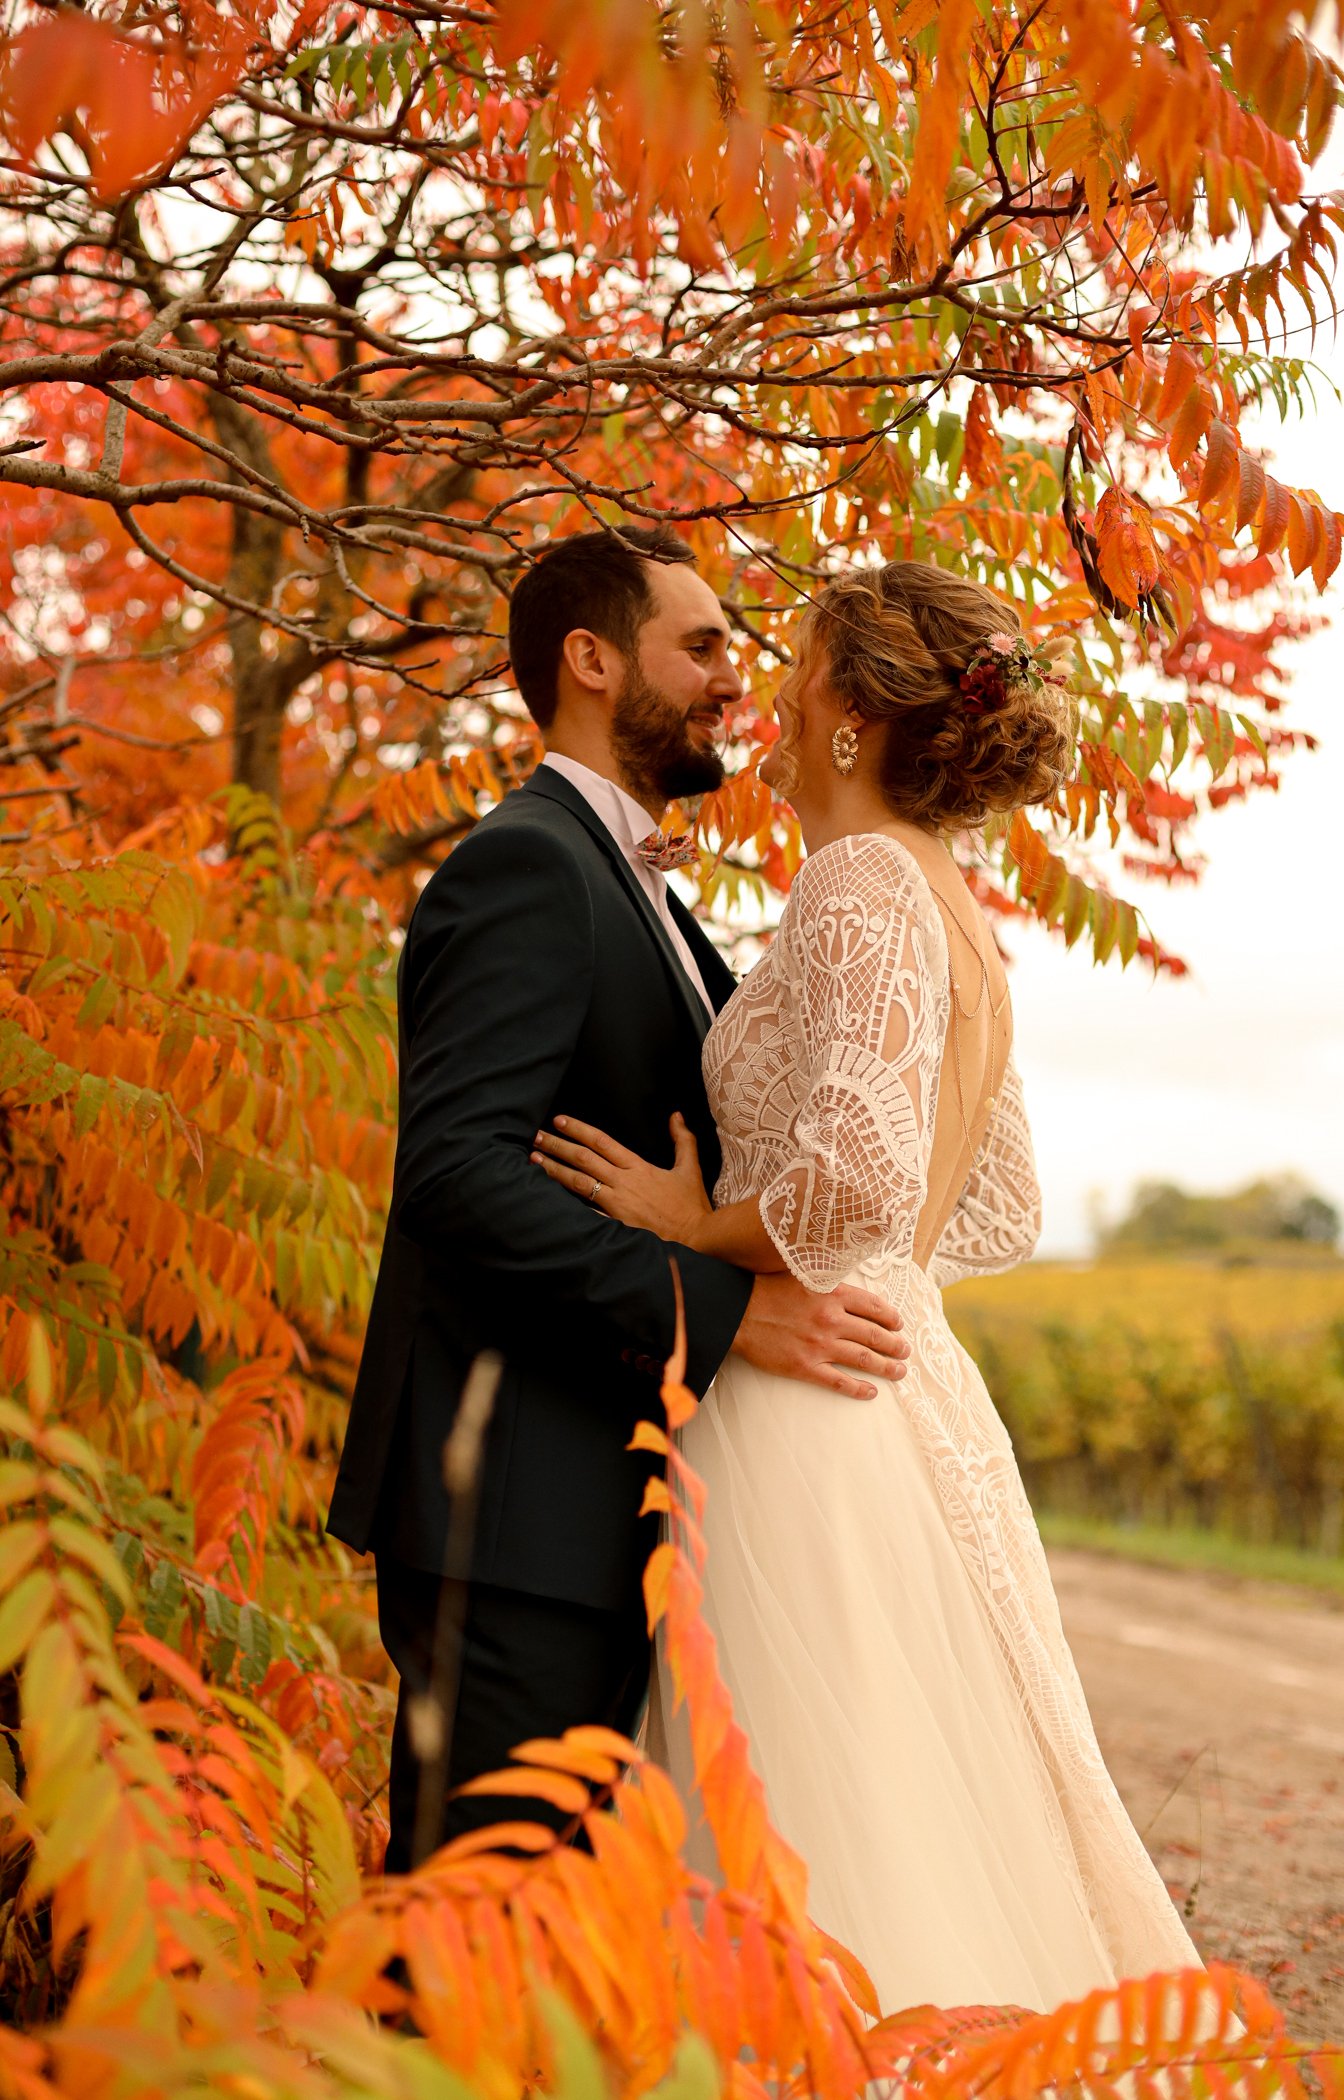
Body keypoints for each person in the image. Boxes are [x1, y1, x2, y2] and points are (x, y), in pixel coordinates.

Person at [531, 561, 1203, 2013]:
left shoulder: (854, 880)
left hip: (808, 1405)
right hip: (910, 1384)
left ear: (846, 713)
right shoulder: (958, 906)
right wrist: (865, 1252)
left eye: (795, 667)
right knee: (911, 1787)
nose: (765, 692)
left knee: (808, 1811)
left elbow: (852, 1183)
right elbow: (1003, 1202)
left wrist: (688, 1221)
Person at [326, 525, 910, 1873]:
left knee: (560, 1954)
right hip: (513, 1510)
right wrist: (723, 1310)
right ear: (591, 660)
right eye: (701, 645)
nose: (732, 677)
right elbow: (458, 1176)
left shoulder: (642, 890)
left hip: (603, 1503)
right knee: (475, 1935)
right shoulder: (527, 865)